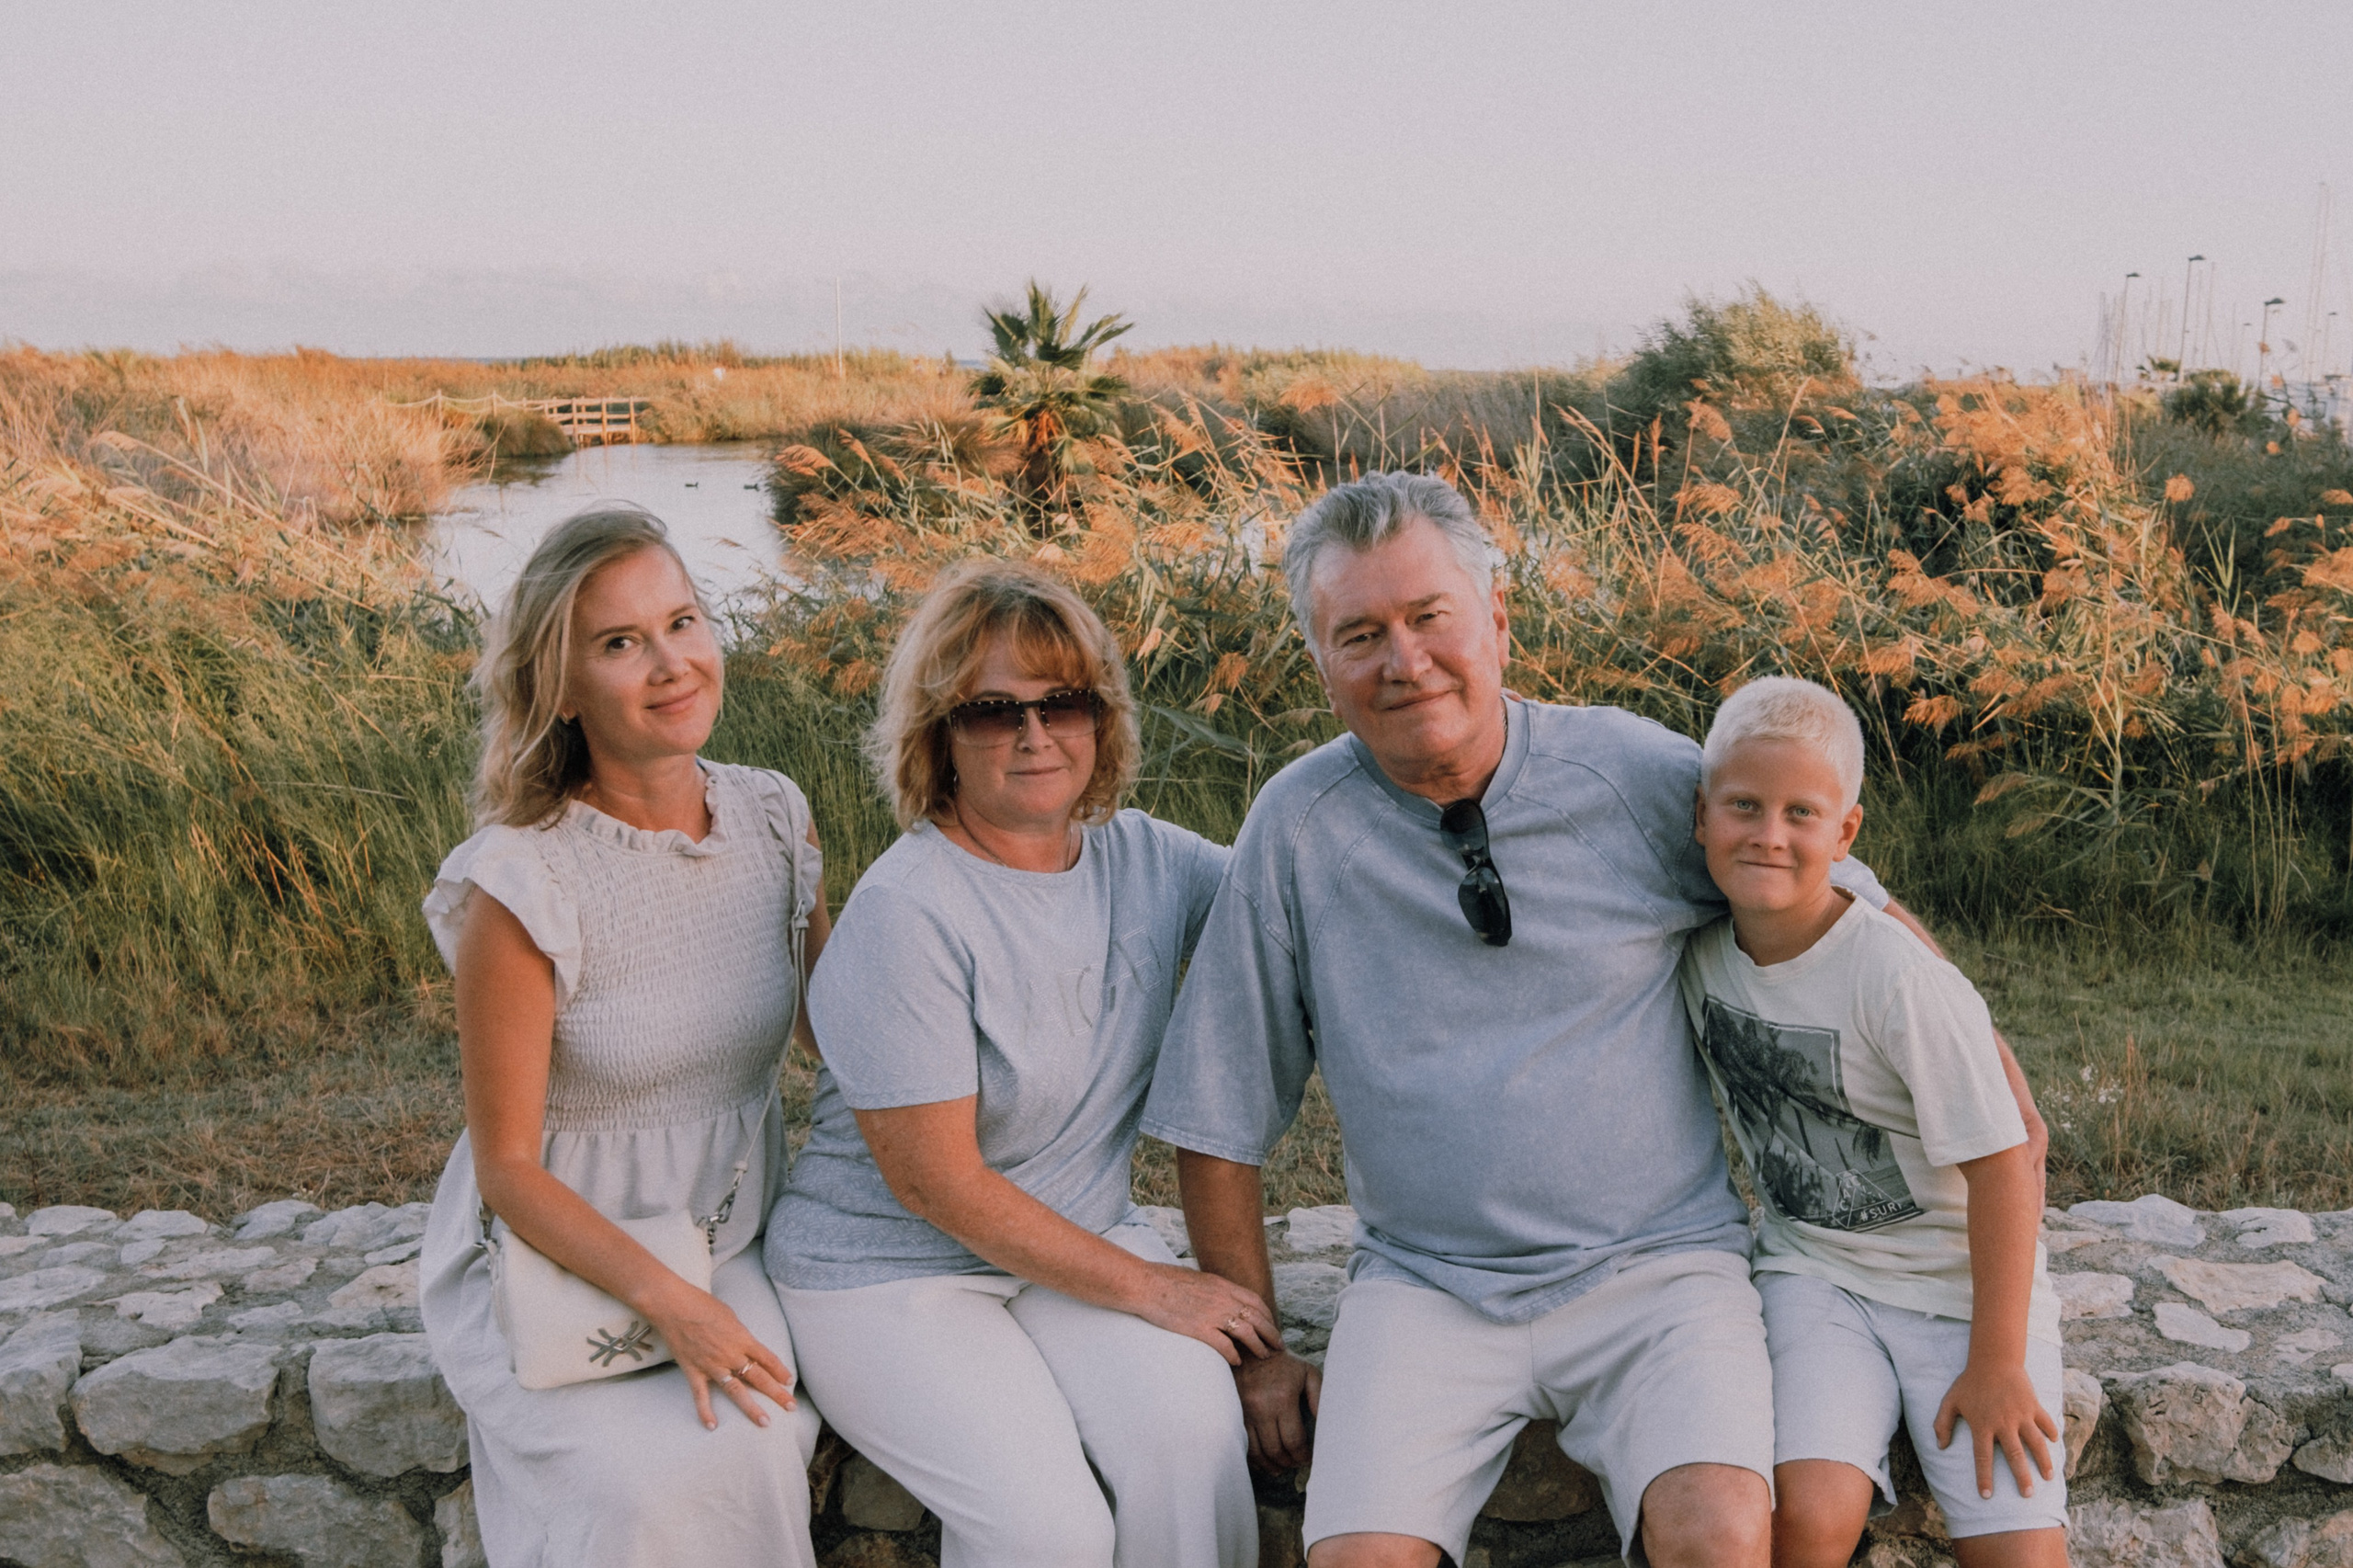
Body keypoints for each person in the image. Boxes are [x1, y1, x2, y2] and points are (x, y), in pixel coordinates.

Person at [1138, 472, 2047, 1568]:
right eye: (1360, 633)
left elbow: (1831, 885)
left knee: (1720, 1535)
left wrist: (1980, 1055)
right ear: (1321, 659)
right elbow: (1219, 1113)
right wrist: (1259, 1352)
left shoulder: (1632, 774)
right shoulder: (1296, 826)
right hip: (1424, 1283)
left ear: (1498, 619)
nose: (1404, 658)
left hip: (1659, 1268)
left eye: (1431, 617)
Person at [766, 559, 1273, 1568]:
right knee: (1047, 1526)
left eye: (1063, 703)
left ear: (1102, 718)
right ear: (938, 737)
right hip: (888, 1275)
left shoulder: (1147, 858)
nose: (1036, 735)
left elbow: (1290, 917)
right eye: (993, 710)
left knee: (1190, 1438)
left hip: (1071, 1237)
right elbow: (935, 1182)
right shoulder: (910, 910)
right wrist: (1156, 1287)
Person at [416, 506, 827, 1568]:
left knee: (753, 1443)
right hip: (558, 1248)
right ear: (559, 687)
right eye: (619, 643)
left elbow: (844, 1039)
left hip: (730, 1229)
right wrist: (670, 1304)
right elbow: (506, 1170)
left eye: (682, 621)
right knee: (638, 1482)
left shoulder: (776, 817)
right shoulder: (520, 878)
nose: (670, 664)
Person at [1679, 677, 2064, 1567]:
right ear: (1701, 816)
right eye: (1743, 806)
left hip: (1958, 1288)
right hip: (1813, 1270)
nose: (1768, 834)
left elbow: (2007, 1166)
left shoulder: (1895, 977)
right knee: (1806, 1519)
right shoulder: (1697, 951)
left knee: (2018, 1553)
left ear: (1844, 832)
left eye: (1799, 813)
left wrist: (1997, 1361)